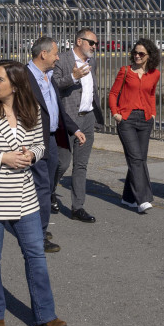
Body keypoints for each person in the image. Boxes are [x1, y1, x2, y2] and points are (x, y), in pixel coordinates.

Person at [0, 59, 67, 326]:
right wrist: (3, 157)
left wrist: (32, 154)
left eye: (0, 79)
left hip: (24, 196)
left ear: (16, 85)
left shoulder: (30, 110)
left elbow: (40, 144)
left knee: (35, 256)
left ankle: (45, 314)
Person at [25, 37, 84, 253]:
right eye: (55, 53)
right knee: (40, 187)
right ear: (43, 54)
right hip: (33, 139)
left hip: (50, 138)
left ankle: (37, 227)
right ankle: (38, 236)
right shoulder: (24, 77)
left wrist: (74, 129)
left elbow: (56, 109)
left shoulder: (49, 76)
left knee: (46, 186)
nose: (58, 58)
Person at [52, 28, 105, 223]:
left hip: (88, 117)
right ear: (79, 41)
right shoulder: (63, 60)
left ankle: (77, 207)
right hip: (68, 119)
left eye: (96, 44)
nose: (94, 47)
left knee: (81, 165)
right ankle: (48, 191)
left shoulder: (92, 61)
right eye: (91, 43)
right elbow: (53, 85)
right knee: (62, 162)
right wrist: (73, 77)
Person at [108, 39, 161, 214]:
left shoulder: (154, 74)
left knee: (139, 159)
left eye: (141, 54)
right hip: (127, 119)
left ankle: (128, 198)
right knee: (136, 159)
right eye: (135, 53)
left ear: (149, 56)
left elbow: (152, 95)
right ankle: (143, 199)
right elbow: (114, 93)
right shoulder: (125, 71)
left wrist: (152, 113)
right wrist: (116, 113)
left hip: (145, 119)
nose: (137, 56)